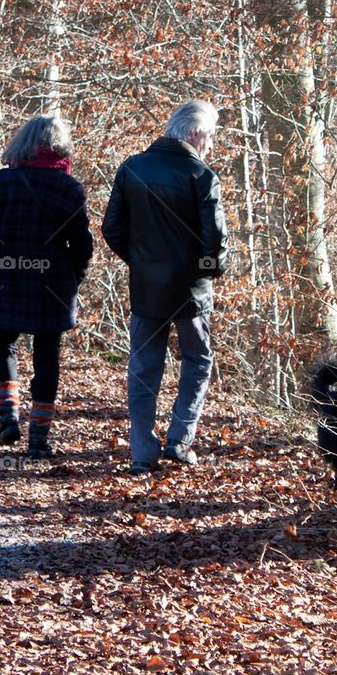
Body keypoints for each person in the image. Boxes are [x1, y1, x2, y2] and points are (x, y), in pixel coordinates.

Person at [102, 99, 228, 473]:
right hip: (190, 292)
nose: (211, 145)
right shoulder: (202, 176)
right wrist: (207, 271)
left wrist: (144, 263)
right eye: (210, 137)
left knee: (143, 367)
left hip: (147, 288)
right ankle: (179, 438)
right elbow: (215, 245)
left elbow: (112, 229)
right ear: (195, 133)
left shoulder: (132, 168)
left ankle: (142, 451)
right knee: (198, 361)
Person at [0, 114, 93, 459]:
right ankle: (38, 438)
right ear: (60, 146)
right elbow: (82, 246)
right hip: (52, 285)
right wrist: (74, 279)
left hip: (4, 279)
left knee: (3, 346)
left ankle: (8, 416)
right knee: (47, 358)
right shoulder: (69, 189)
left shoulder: (2, 182)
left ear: (22, 142)